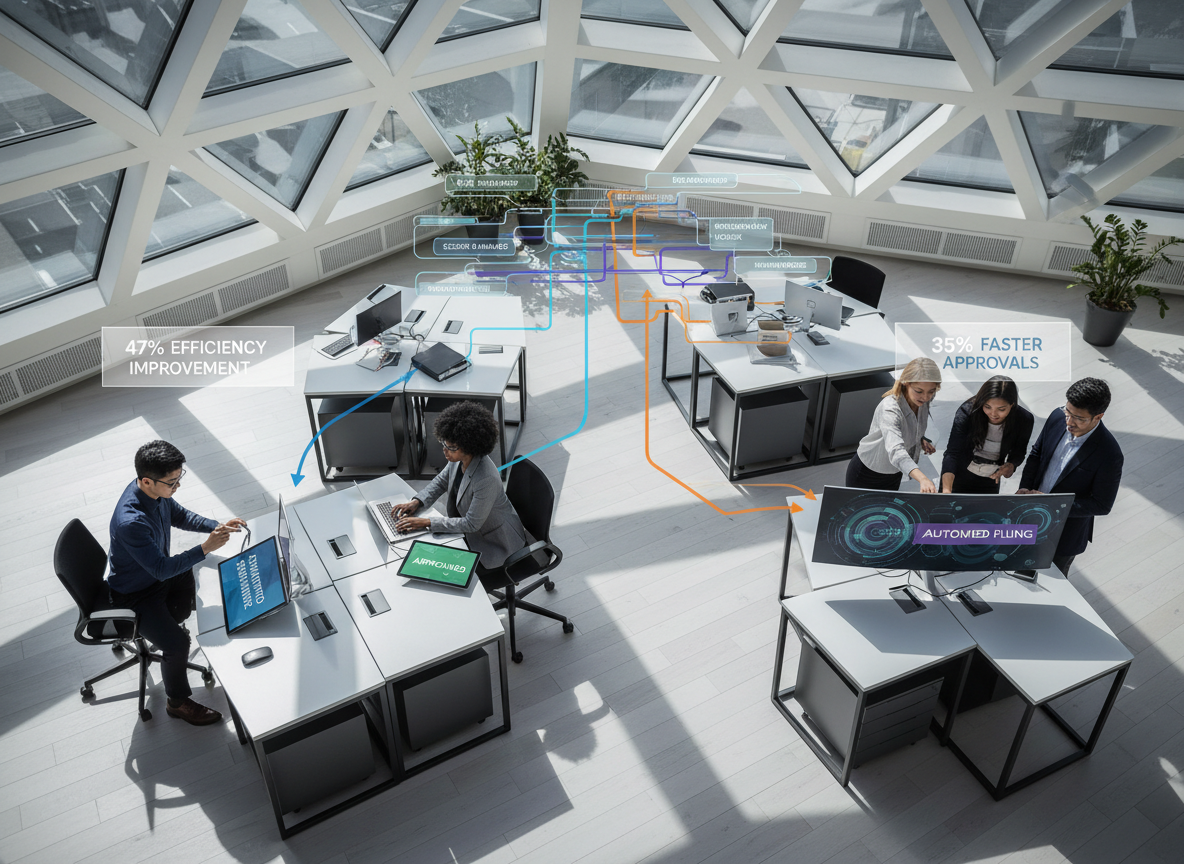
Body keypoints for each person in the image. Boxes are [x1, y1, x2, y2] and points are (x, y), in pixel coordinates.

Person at [108, 441, 245, 726]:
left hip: (155, 577)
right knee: (177, 645)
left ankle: (172, 623)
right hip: (135, 594)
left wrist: (216, 526)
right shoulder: (130, 521)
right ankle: (177, 702)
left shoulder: (154, 492)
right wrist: (205, 547)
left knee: (199, 573)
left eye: (179, 478)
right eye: (172, 482)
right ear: (147, 481)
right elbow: (160, 569)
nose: (177, 486)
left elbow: (179, 515)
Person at [392, 401, 526, 573]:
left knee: (437, 568)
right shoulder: (460, 459)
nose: (445, 451)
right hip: (470, 529)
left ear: (470, 447)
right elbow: (441, 481)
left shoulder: (486, 478)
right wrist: (417, 502)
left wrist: (426, 522)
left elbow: (471, 524)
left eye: (451, 448)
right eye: (444, 444)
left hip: (495, 543)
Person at [1018, 378, 1122, 577]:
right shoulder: (1057, 416)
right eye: (1068, 412)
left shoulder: (1110, 454)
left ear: (1098, 417)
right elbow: (1036, 454)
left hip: (1064, 535)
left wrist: (1051, 505)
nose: (1069, 421)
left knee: (1051, 584)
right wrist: (1025, 489)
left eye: (1079, 418)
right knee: (1018, 570)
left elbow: (1101, 505)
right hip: (1030, 516)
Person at [846, 357, 941, 492]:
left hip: (894, 472)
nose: (925, 397)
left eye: (931, 391)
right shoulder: (890, 409)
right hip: (868, 473)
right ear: (905, 383)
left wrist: (920, 439)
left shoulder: (922, 400)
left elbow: (913, 422)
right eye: (919, 391)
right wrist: (923, 479)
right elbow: (896, 450)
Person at [941, 376, 1034, 494]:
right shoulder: (968, 411)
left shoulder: (1024, 419)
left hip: (991, 478)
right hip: (957, 475)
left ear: (1012, 404)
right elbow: (952, 453)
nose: (993, 414)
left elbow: (1019, 452)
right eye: (987, 407)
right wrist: (946, 491)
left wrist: (1011, 465)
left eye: (1001, 409)